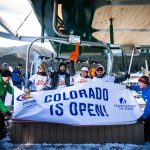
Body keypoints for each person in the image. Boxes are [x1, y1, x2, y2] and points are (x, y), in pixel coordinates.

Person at [130, 75, 150, 141]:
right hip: (148, 110)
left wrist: (143, 117)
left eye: (140, 82)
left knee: (146, 121)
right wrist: (129, 87)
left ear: (145, 83)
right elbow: (137, 88)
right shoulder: (144, 88)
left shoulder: (149, 91)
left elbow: (149, 107)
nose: (138, 84)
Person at [0, 70, 13, 139]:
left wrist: (19, 94)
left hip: (1, 101)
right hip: (0, 103)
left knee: (2, 118)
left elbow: (11, 90)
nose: (9, 79)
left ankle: (2, 134)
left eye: (10, 78)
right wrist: (5, 111)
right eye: (8, 78)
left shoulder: (5, 82)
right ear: (3, 77)